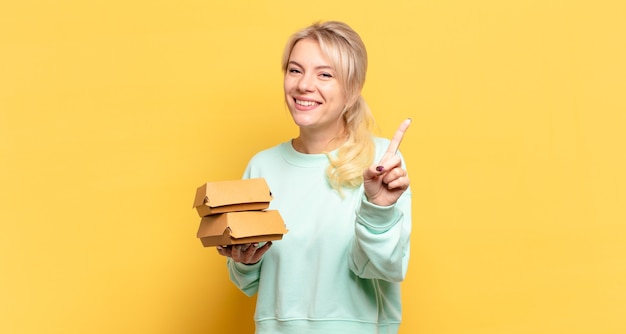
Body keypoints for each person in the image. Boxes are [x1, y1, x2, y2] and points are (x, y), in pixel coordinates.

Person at [216, 20, 412, 334]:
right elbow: (247, 284)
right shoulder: (261, 167)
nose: (304, 85)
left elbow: (386, 267)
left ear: (352, 90)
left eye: (325, 74)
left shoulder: (380, 163)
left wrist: (377, 209)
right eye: (295, 70)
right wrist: (244, 260)